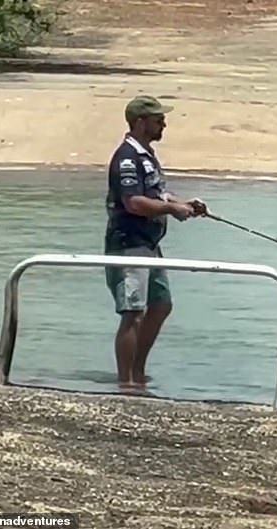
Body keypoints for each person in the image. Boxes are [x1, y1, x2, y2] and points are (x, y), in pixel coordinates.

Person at [104, 95, 207, 392]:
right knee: (133, 312)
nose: (164, 123)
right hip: (129, 243)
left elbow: (158, 193)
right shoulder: (126, 158)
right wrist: (172, 210)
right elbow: (134, 202)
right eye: (158, 119)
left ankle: (138, 371)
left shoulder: (146, 155)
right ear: (140, 122)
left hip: (151, 244)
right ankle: (126, 382)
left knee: (160, 305)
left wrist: (184, 203)